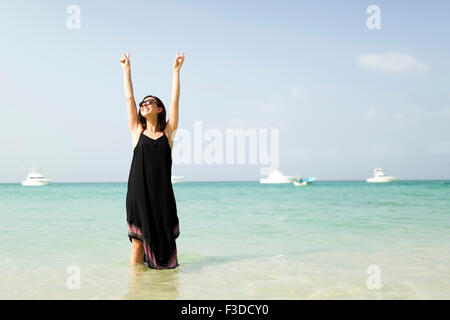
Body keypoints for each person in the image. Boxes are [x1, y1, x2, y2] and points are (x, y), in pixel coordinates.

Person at [119, 51, 185, 269]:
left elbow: (175, 100)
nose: (144, 104)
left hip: (163, 196)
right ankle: (136, 289)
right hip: (139, 195)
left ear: (159, 109)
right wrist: (126, 71)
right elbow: (129, 98)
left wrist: (175, 72)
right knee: (137, 244)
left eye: (150, 102)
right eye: (142, 103)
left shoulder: (168, 135)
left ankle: (164, 289)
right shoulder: (137, 132)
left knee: (167, 244)